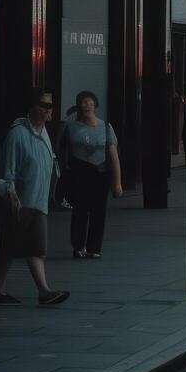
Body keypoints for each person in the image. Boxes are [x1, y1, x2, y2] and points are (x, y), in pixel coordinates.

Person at [0, 89, 68, 306]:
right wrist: (11, 195)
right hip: (23, 201)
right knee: (35, 248)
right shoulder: (18, 134)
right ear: (32, 108)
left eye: (50, 106)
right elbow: (8, 170)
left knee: (10, 248)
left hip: (38, 200)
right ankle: (44, 291)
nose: (49, 110)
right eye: (44, 106)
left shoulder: (43, 133)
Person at [63, 91, 122, 258]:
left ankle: (94, 247)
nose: (87, 105)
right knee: (79, 210)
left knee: (98, 211)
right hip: (79, 173)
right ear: (79, 106)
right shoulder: (71, 126)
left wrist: (117, 183)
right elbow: (63, 148)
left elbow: (113, 155)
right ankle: (78, 245)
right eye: (83, 102)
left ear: (95, 106)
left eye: (90, 102)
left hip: (99, 172)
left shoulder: (105, 127)